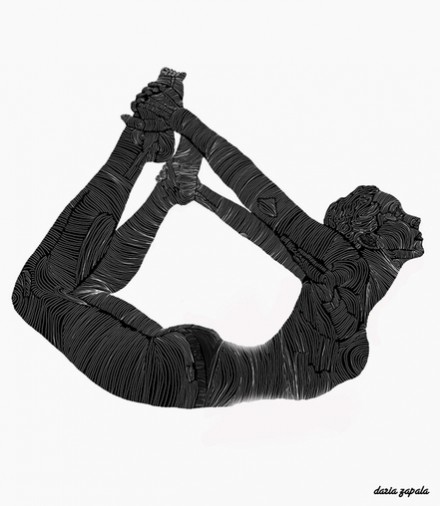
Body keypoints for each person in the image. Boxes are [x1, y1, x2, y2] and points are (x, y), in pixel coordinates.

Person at [12, 68, 424, 408]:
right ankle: (152, 161)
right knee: (57, 291)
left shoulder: (348, 274)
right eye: (398, 214)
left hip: (182, 369)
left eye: (398, 212)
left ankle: (141, 143)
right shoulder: (349, 276)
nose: (415, 218)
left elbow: (266, 211)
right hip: (188, 373)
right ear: (369, 234)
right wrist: (200, 185)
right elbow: (267, 224)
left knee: (42, 290)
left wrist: (180, 119)